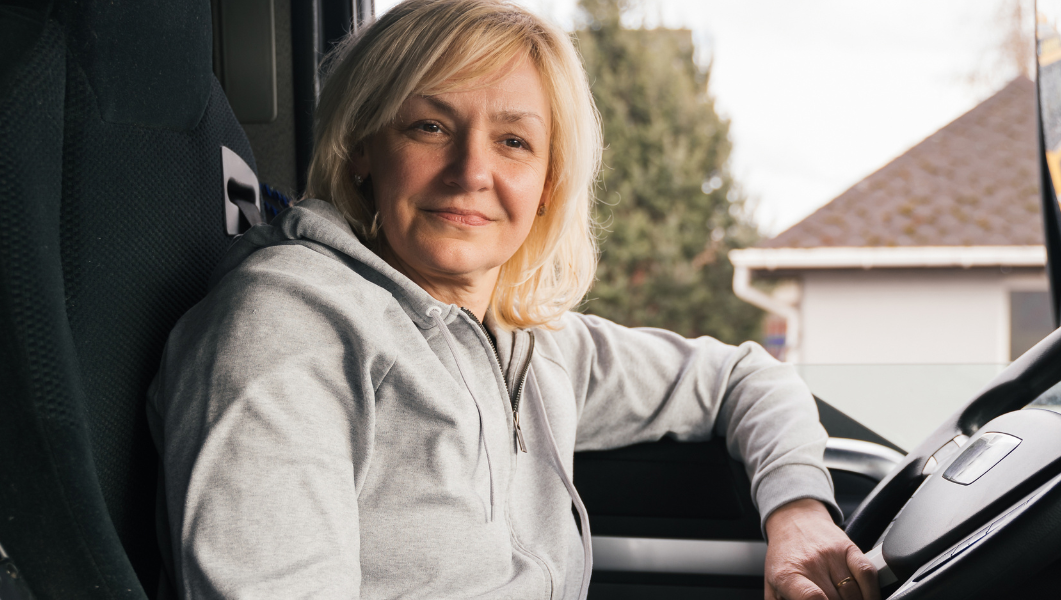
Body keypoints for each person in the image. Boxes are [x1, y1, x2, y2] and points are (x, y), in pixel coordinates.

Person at [148, 0, 877, 598]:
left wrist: (799, 512)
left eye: (514, 142)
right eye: (430, 127)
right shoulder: (285, 330)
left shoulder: (530, 342)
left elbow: (742, 376)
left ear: (549, 182)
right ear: (363, 149)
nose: (471, 171)